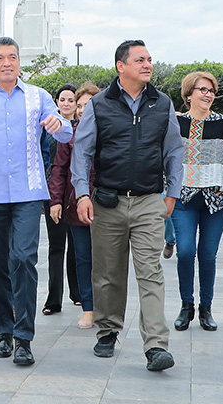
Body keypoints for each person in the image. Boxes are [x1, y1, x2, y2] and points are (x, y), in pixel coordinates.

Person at [0, 37, 72, 367]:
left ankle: (24, 337)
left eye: (12, 57)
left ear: (19, 62)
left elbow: (65, 132)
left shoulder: (39, 97)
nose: (6, 63)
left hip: (27, 193)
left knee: (23, 259)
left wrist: (58, 124)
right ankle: (4, 333)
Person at [71, 39, 182, 372]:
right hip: (108, 202)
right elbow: (82, 151)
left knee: (151, 273)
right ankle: (107, 331)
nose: (147, 64)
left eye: (149, 59)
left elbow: (174, 151)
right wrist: (82, 193)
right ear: (121, 66)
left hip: (149, 201)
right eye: (140, 60)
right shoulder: (100, 104)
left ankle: (156, 346)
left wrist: (171, 193)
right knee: (108, 275)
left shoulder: (162, 104)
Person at [171, 72, 223, 332]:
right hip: (184, 199)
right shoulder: (175, 125)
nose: (208, 94)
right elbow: (164, 158)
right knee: (186, 250)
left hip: (217, 201)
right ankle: (186, 305)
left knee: (207, 254)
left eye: (211, 90)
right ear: (189, 94)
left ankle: (206, 308)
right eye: (202, 89)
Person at [49, 81, 99, 329]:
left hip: (106, 205)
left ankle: (105, 306)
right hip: (76, 204)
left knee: (105, 259)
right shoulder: (70, 134)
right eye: (79, 105)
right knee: (83, 257)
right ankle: (88, 308)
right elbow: (58, 169)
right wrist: (56, 200)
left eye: (87, 104)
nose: (81, 109)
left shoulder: (109, 132)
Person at [42, 84, 81, 315]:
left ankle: (76, 293)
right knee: (56, 246)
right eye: (63, 100)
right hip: (51, 194)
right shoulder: (48, 128)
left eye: (71, 100)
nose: (66, 104)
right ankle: (52, 299)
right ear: (57, 102)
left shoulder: (82, 128)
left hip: (75, 194)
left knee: (76, 246)